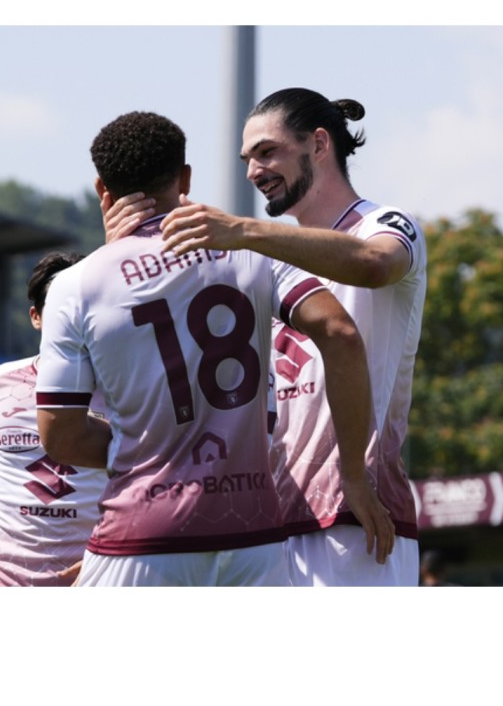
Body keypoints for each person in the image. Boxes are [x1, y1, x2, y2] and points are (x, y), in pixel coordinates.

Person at [35, 110, 394, 587]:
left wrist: (149, 448)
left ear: (102, 189)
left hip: (141, 540)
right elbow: (341, 333)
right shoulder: (254, 255)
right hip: (254, 538)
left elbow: (60, 436)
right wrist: (352, 474)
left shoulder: (76, 284)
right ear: (184, 178)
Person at [152, 87, 427, 586]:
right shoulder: (265, 259)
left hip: (357, 519)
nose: (254, 171)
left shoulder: (384, 224)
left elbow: (375, 264)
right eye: (247, 159)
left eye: (267, 151)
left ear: (319, 144)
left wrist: (244, 232)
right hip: (268, 523)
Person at [0, 250, 109, 586]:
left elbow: (153, 488)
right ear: (36, 317)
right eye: (61, 311)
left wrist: (107, 554)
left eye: (83, 309)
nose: (73, 321)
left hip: (93, 584)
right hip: (2, 583)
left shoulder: (127, 389)